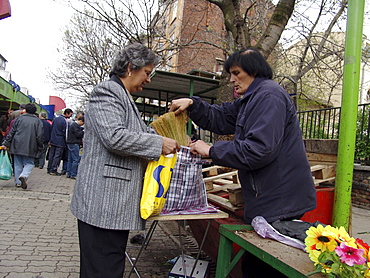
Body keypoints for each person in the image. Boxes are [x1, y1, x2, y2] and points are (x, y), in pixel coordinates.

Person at [169, 47, 317, 277]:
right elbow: (222, 117)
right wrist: (193, 104)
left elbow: (258, 150)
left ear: (254, 70)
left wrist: (210, 149)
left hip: (280, 200)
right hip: (268, 199)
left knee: (263, 269)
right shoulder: (251, 99)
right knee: (255, 265)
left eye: (236, 72)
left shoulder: (269, 97)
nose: (231, 79)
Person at [70, 43, 180, 278]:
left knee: (107, 265)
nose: (148, 80)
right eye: (147, 73)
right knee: (103, 269)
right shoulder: (107, 91)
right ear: (131, 68)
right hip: (103, 204)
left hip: (111, 204)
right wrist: (159, 144)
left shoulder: (122, 95)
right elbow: (115, 137)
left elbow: (139, 132)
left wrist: (168, 139)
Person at [1, 103, 43, 189]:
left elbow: (12, 132)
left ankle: (17, 182)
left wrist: (6, 143)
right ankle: (24, 175)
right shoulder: (38, 121)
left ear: (25, 110)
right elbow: (40, 136)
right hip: (31, 145)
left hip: (17, 144)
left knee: (17, 163)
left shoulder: (19, 119)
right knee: (29, 163)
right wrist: (40, 146)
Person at [47, 108, 73, 175]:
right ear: (67, 113)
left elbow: (51, 128)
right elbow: (65, 132)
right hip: (60, 141)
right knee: (57, 156)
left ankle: (49, 168)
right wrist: (66, 140)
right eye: (70, 114)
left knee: (51, 154)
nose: (70, 116)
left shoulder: (55, 119)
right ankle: (54, 169)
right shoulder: (65, 121)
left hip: (53, 139)